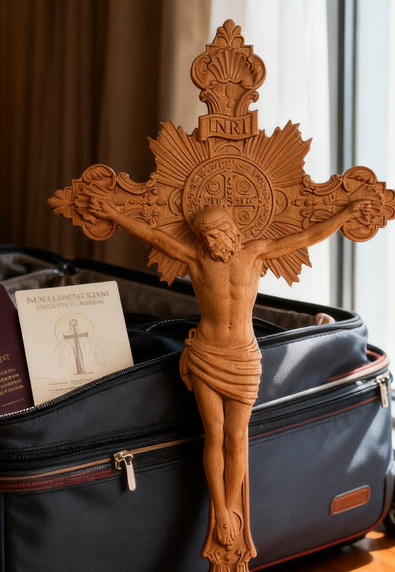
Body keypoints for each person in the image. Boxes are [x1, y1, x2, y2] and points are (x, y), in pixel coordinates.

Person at [89, 197, 374, 547]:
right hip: (207, 353)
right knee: (214, 433)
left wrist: (344, 213)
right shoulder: (195, 259)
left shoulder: (255, 253)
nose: (210, 242)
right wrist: (114, 212)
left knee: (237, 437)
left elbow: (305, 237)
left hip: (243, 356)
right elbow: (154, 236)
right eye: (204, 237)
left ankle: (233, 510)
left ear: (230, 231)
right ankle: (222, 512)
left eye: (215, 234)